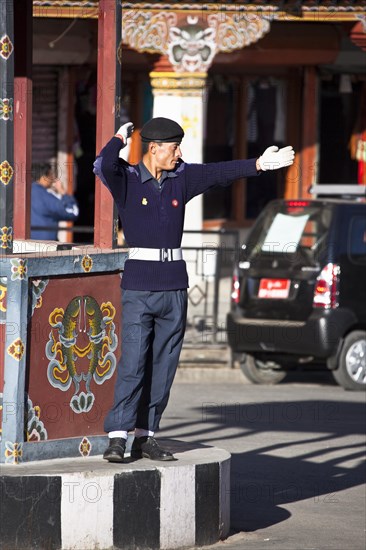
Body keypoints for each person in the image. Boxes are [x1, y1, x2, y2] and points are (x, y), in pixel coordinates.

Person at [93, 117, 295, 462]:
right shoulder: (125, 179)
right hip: (140, 287)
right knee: (134, 361)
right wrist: (117, 139)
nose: (179, 153)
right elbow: (101, 164)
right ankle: (117, 435)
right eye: (173, 148)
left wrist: (259, 164)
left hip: (174, 286)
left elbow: (219, 173)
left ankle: (146, 435)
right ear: (154, 149)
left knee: (165, 363)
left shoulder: (181, 178)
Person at [31, 162, 79, 240]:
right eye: (51, 175)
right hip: (44, 245)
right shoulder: (45, 196)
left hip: (26, 244)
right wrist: (62, 192)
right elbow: (73, 212)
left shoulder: (25, 193)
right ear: (44, 177)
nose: (53, 179)